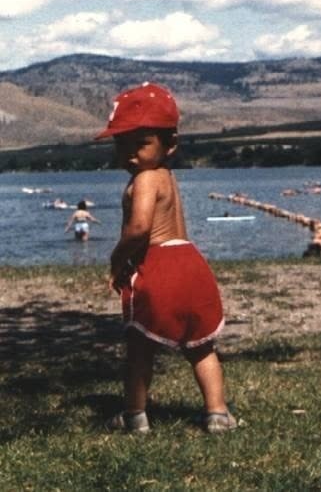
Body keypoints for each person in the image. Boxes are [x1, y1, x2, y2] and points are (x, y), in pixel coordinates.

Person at [95, 82, 236, 434]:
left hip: (158, 266)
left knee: (140, 349)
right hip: (190, 262)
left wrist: (117, 261)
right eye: (121, 144)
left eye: (140, 143)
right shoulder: (167, 177)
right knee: (202, 346)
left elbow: (141, 228)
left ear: (170, 144)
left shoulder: (144, 179)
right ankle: (217, 413)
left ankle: (134, 415)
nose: (129, 154)